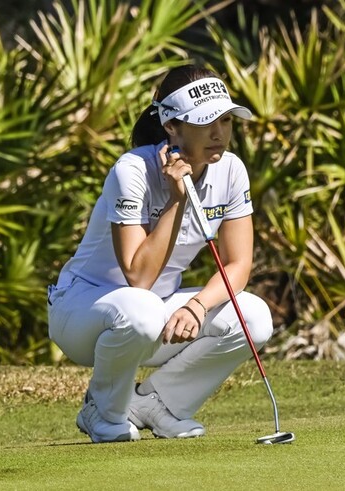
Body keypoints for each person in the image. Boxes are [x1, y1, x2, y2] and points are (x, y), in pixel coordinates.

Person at [47, 64, 273, 443]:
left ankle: (158, 405)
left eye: (225, 120)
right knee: (143, 308)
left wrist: (197, 306)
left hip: (153, 313)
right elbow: (138, 277)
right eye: (205, 122)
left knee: (253, 317)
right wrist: (176, 200)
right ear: (171, 126)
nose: (219, 133)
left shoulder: (232, 171)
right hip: (82, 311)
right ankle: (102, 410)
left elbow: (238, 264)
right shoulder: (132, 169)